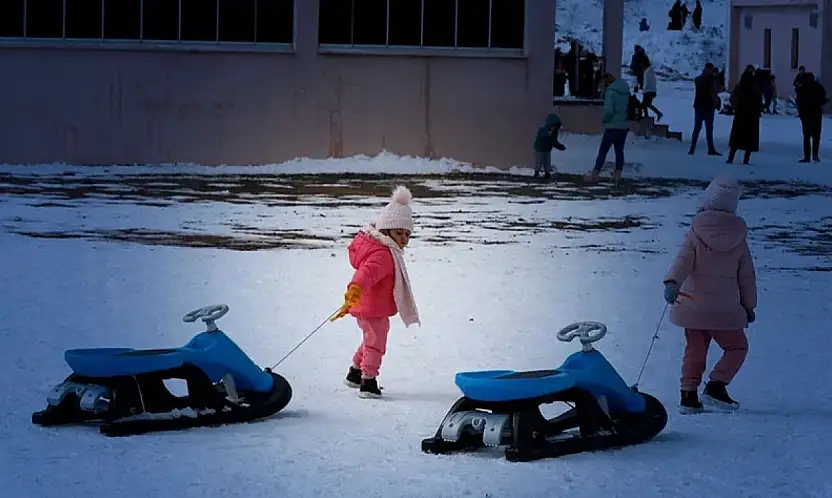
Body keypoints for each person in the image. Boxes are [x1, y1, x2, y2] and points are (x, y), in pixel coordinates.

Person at [662, 173, 757, 414]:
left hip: (693, 306)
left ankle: (688, 396)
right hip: (724, 310)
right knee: (736, 348)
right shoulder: (739, 237)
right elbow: (746, 275)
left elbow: (683, 260)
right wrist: (748, 305)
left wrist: (673, 282)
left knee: (695, 349)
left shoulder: (695, 232)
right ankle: (716, 385)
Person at [332, 186, 421, 398]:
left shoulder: (386, 250)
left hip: (372, 306)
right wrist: (354, 290)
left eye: (407, 234)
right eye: (399, 233)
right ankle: (368, 381)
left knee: (371, 339)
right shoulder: (382, 255)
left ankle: (355, 372)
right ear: (386, 230)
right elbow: (365, 275)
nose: (403, 239)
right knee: (376, 343)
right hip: (370, 307)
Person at [585, 72, 631, 185]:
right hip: (623, 126)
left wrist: (604, 120)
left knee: (603, 151)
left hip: (612, 126)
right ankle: (617, 175)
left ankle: (595, 174)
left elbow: (609, 111)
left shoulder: (611, 93)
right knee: (619, 152)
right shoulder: (625, 91)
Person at [726, 67, 762, 164]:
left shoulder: (740, 87)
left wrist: (736, 107)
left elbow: (733, 98)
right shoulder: (755, 88)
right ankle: (746, 159)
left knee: (736, 137)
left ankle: (731, 157)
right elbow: (759, 102)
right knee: (750, 138)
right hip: (751, 116)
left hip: (741, 114)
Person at [689, 63, 722, 156]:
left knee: (697, 128)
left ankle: (692, 148)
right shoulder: (712, 80)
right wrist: (716, 104)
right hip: (708, 107)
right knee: (709, 129)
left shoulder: (698, 79)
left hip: (698, 106)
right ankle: (710, 149)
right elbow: (714, 93)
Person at [796, 73, 828, 163]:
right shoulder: (819, 87)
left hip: (806, 114)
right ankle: (815, 155)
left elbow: (799, 101)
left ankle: (807, 156)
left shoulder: (803, 88)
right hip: (817, 114)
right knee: (816, 136)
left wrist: (801, 112)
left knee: (806, 136)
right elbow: (823, 100)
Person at [533, 113, 567, 179]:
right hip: (540, 149)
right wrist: (548, 134)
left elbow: (553, 141)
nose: (554, 128)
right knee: (539, 161)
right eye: (553, 126)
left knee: (547, 162)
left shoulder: (554, 133)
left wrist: (560, 146)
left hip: (548, 149)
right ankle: (536, 173)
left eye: (555, 127)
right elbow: (542, 137)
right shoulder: (543, 130)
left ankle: (547, 173)